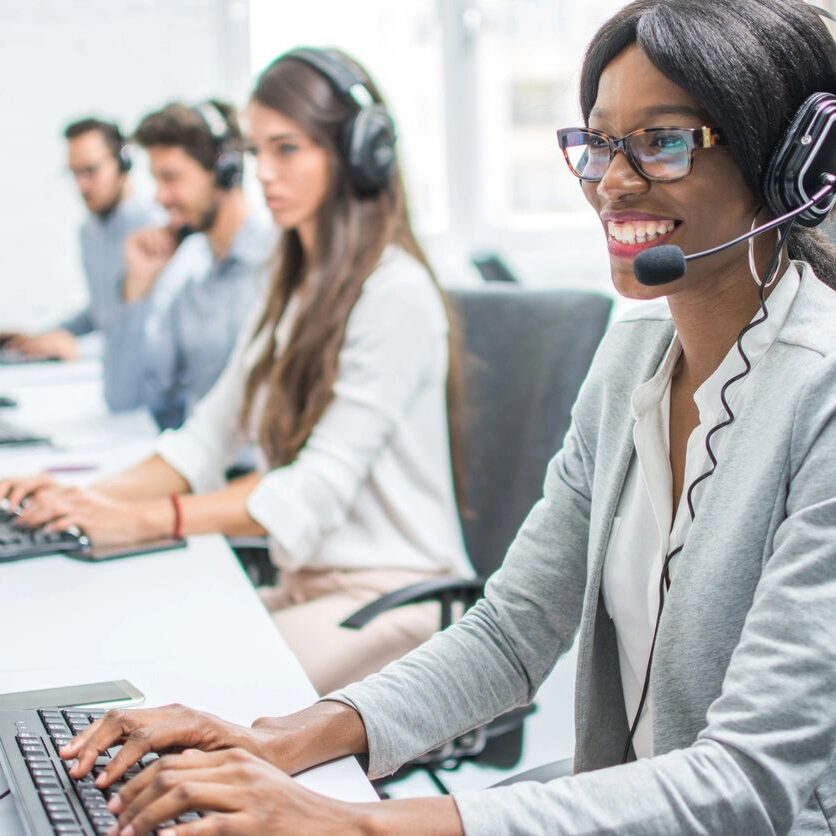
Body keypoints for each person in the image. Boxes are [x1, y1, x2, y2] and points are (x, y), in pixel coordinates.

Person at [48, 2, 836, 834]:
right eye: (600, 142)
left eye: (664, 140)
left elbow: (749, 779)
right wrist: (275, 740)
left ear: (796, 161)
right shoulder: (634, 358)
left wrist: (352, 822)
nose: (611, 181)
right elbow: (509, 632)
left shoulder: (819, 398)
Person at [1, 48, 471, 696]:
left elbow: (308, 491)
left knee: (198, 702)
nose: (265, 176)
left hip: (395, 598)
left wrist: (137, 519)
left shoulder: (394, 293)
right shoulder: (293, 284)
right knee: (142, 658)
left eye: (287, 150)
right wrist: (86, 499)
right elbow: (205, 438)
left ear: (360, 154)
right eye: (256, 154)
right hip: (308, 584)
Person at [107, 99, 275, 428]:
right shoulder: (189, 285)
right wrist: (137, 291)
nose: (159, 197)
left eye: (170, 178)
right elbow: (126, 399)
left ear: (225, 171)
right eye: (156, 180)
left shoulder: (281, 267)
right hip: (204, 471)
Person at [3, 118, 161, 364]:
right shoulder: (89, 232)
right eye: (74, 173)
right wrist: (44, 337)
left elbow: (154, 330)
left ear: (123, 162)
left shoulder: (155, 230)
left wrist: (78, 348)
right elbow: (102, 313)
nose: (81, 185)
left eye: (90, 171)